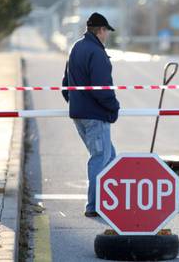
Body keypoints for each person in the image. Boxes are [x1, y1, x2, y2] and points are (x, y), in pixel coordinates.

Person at [62, 12, 120, 217]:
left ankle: (112, 201)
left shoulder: (76, 48)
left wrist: (77, 104)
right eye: (106, 32)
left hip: (80, 115)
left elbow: (65, 86)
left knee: (110, 157)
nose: (107, 36)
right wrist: (114, 108)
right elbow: (102, 89)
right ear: (101, 30)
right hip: (96, 115)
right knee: (100, 158)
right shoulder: (96, 52)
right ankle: (94, 206)